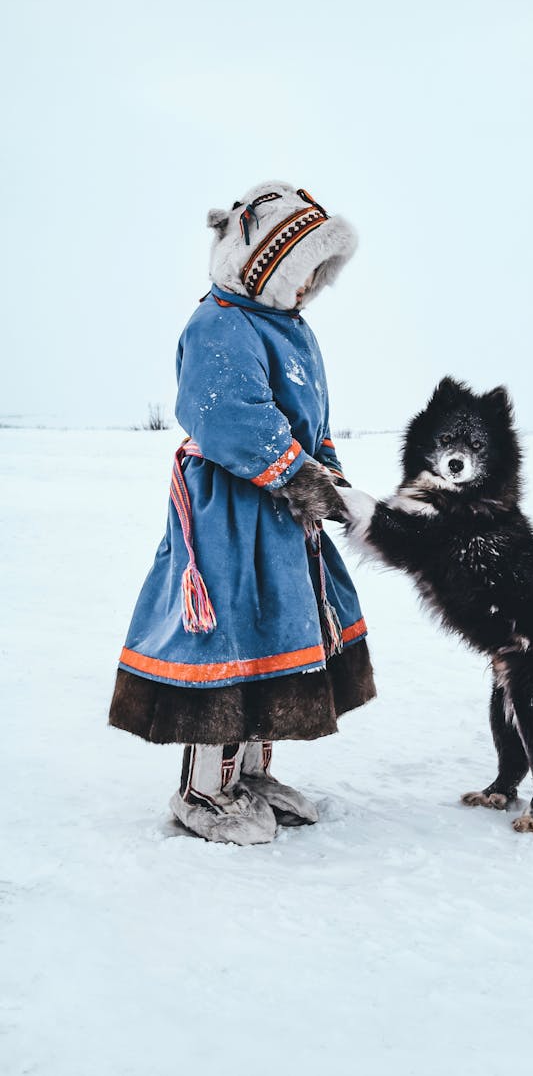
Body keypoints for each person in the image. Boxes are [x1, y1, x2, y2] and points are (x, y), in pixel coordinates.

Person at [109, 181, 375, 844]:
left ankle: (250, 774)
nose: (314, 284)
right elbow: (233, 422)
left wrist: (332, 479)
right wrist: (313, 486)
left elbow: (314, 425)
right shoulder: (220, 322)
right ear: (269, 264)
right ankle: (204, 790)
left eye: (322, 273)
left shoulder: (292, 329)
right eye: (306, 270)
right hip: (229, 512)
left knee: (277, 632)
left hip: (282, 516)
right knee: (230, 639)